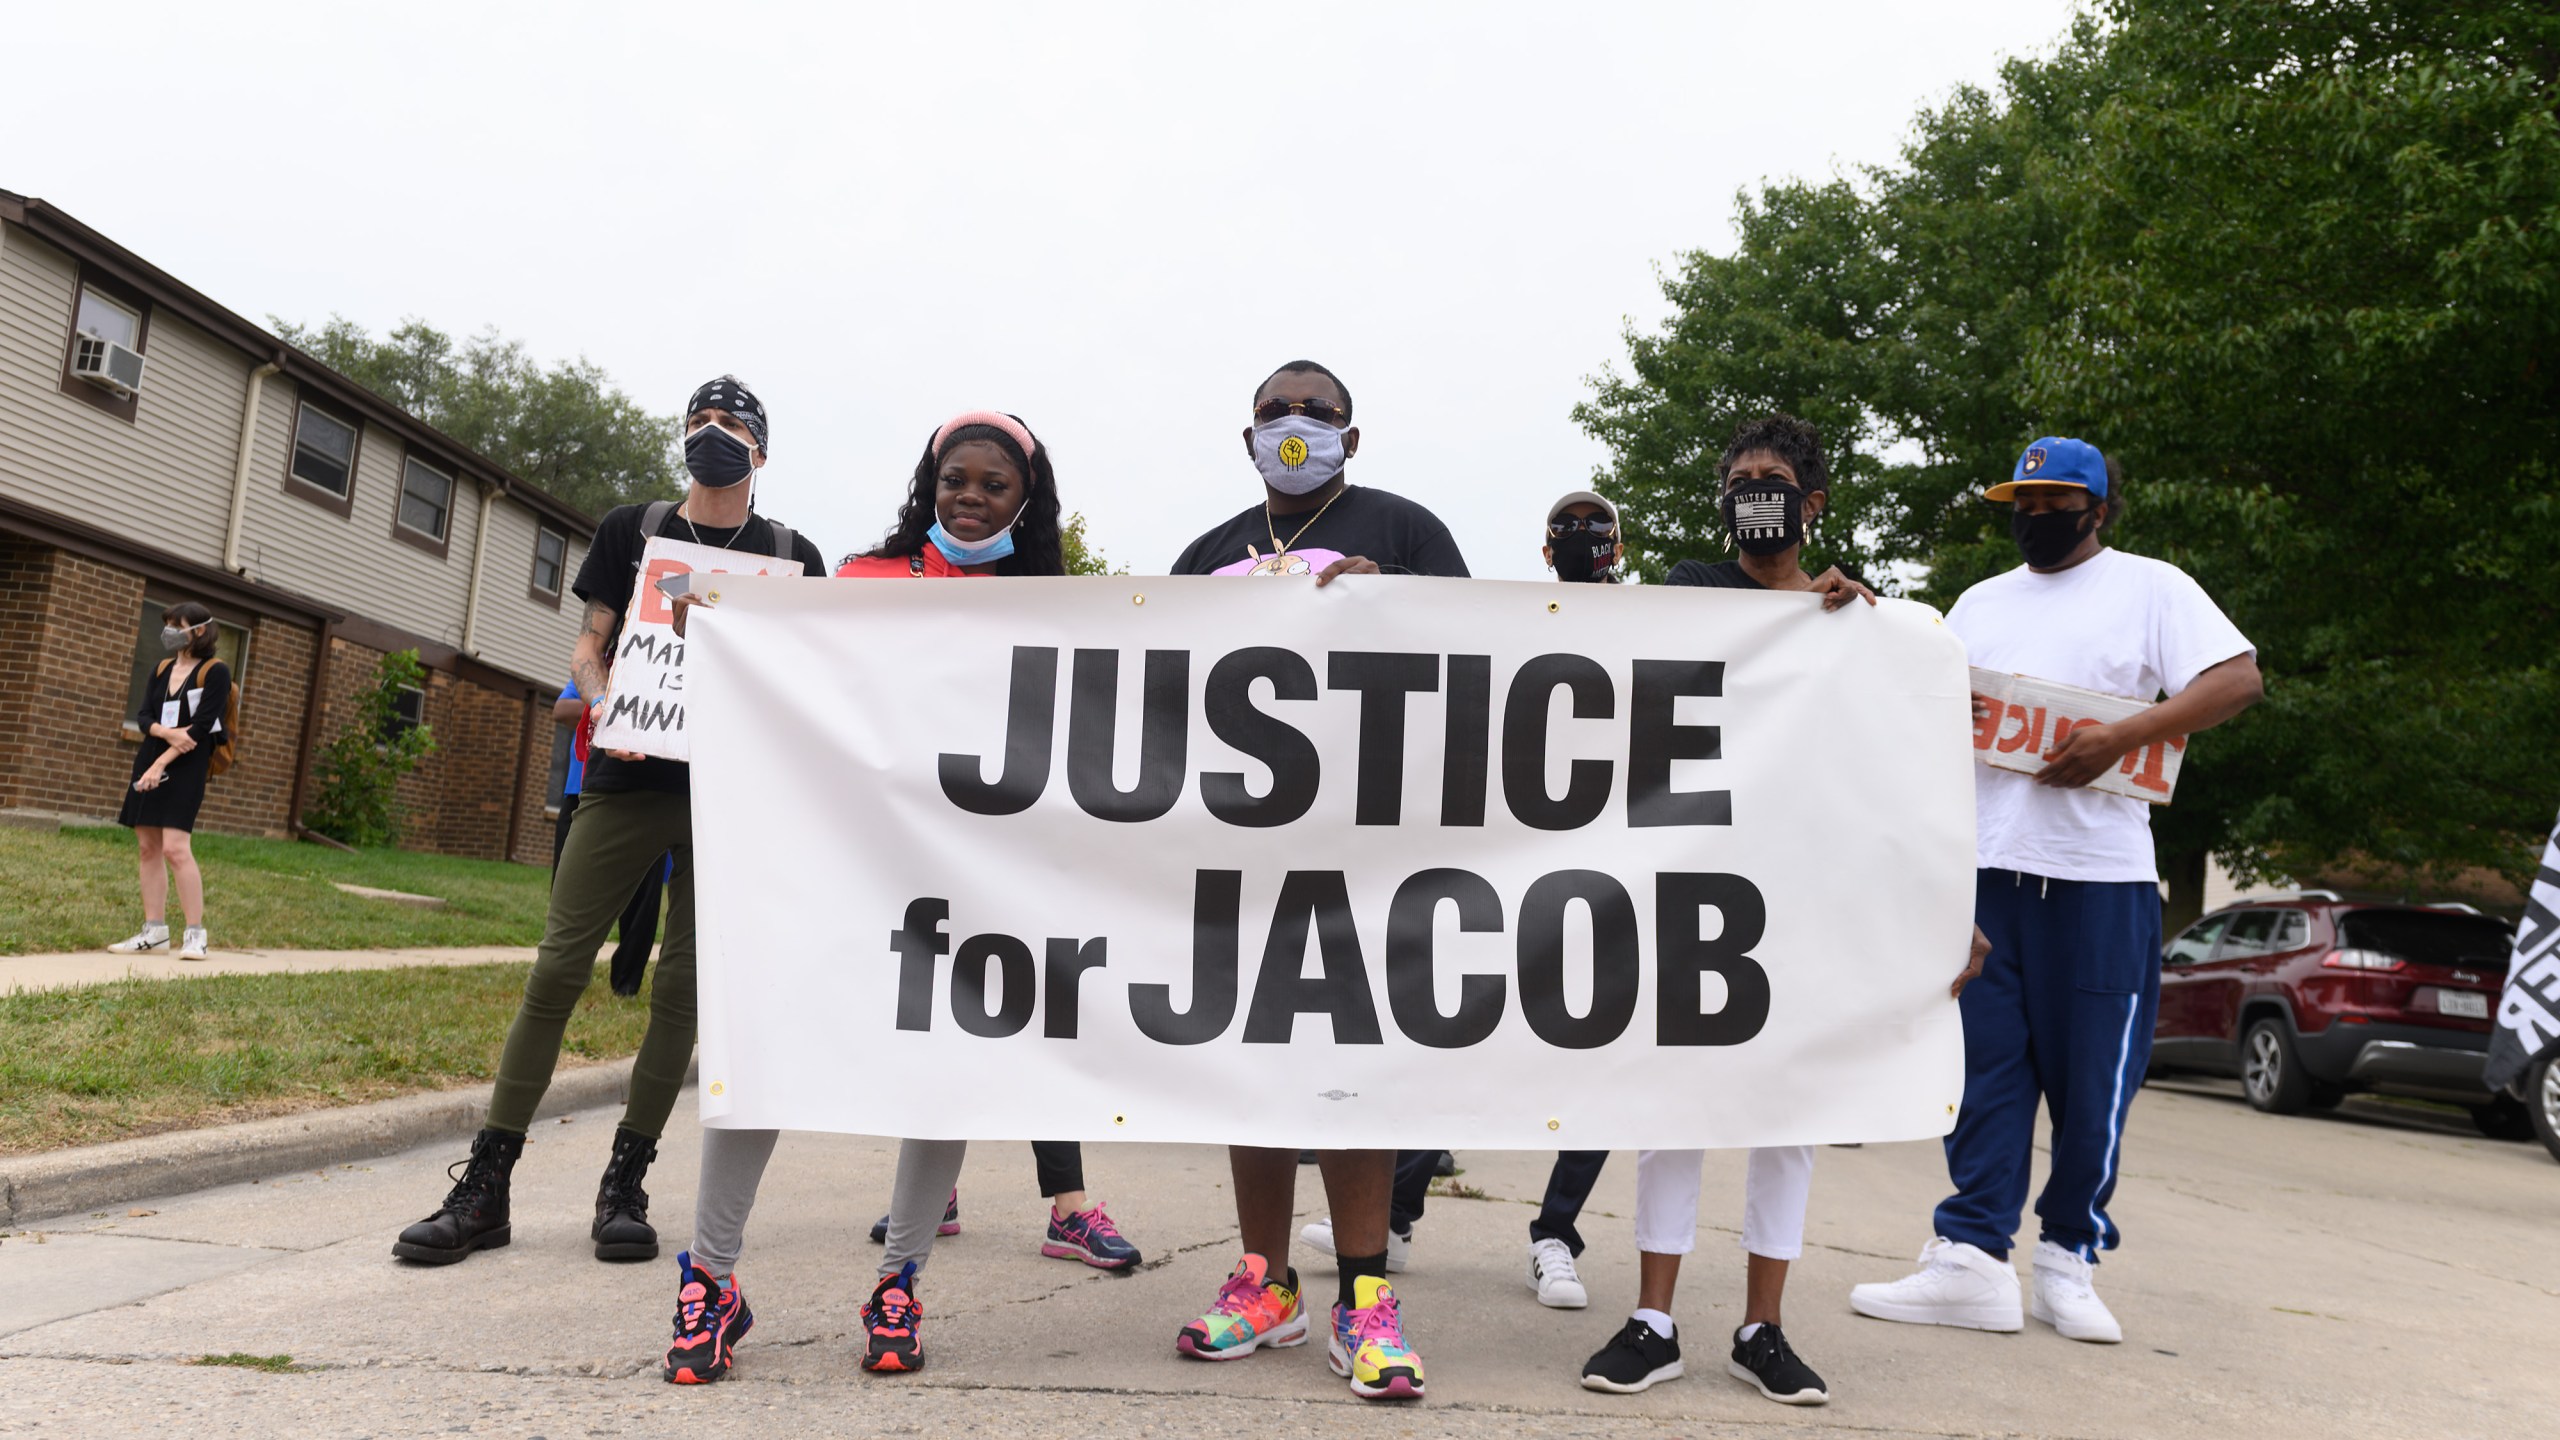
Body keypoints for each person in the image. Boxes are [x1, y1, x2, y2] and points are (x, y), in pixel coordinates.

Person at [662, 410, 1137, 1384]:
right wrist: (718, 629)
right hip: (843, 866)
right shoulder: (861, 582)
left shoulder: (1056, 612)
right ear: (930, 484)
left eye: (993, 485)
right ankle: (710, 1280)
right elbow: (791, 681)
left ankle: (899, 1283)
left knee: (942, 1067)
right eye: (954, 479)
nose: (970, 496)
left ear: (1026, 501)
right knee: (764, 1050)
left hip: (968, 877)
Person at [1573, 416, 1975, 1406]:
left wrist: (1941, 905)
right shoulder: (1691, 593)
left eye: (1773, 478)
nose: (1754, 492)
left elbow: (1902, 783)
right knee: (1673, 1101)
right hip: (1698, 884)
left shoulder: (1858, 630)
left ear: (1814, 501)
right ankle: (1653, 1319)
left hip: (1803, 892)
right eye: (1739, 478)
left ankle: (1764, 1326)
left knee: (1787, 1113)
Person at [393, 376, 826, 1268]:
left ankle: (625, 1182)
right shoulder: (633, 529)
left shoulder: (790, 554)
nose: (713, 434)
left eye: (732, 423)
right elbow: (590, 648)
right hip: (626, 782)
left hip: (730, 803)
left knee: (682, 993)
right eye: (699, 420)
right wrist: (604, 708)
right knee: (556, 970)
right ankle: (486, 1185)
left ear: (762, 450)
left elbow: (805, 676)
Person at [1849, 436, 2261, 1345]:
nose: (2034, 518)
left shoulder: (2152, 587)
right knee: (1984, 1069)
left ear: (2097, 510)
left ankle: (2069, 1256)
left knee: (2092, 1082)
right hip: (1987, 867)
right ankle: (1970, 1258)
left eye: (2053, 503)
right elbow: (1930, 706)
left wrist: (2124, 737)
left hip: (2098, 877)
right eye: (2021, 504)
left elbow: (2238, 678)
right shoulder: (1981, 602)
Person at [1168, 360, 1465, 1403]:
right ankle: (1265, 1282)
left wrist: (1397, 610)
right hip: (1240, 854)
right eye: (1273, 414)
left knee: (1349, 1069)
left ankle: (1366, 1295)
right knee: (1254, 1063)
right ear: (1244, 435)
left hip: (1366, 853)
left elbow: (1482, 663)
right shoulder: (1206, 554)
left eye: (1317, 414)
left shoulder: (1408, 530)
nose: (1295, 428)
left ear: (1352, 433)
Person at [106, 602, 232, 963]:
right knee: (147, 847)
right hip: (151, 757)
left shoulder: (215, 671)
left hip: (186, 765)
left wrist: (165, 756)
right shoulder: (161, 668)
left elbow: (203, 725)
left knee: (176, 848)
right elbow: (144, 715)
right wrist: (167, 734)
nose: (170, 630)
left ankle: (195, 935)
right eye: (168, 624)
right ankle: (154, 932)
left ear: (200, 631)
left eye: (178, 625)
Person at [553, 674, 668, 998]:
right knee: (571, 891)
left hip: (650, 790)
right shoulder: (601, 670)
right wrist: (612, 707)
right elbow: (561, 710)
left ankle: (626, 984)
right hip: (584, 789)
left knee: (643, 897)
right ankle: (566, 973)